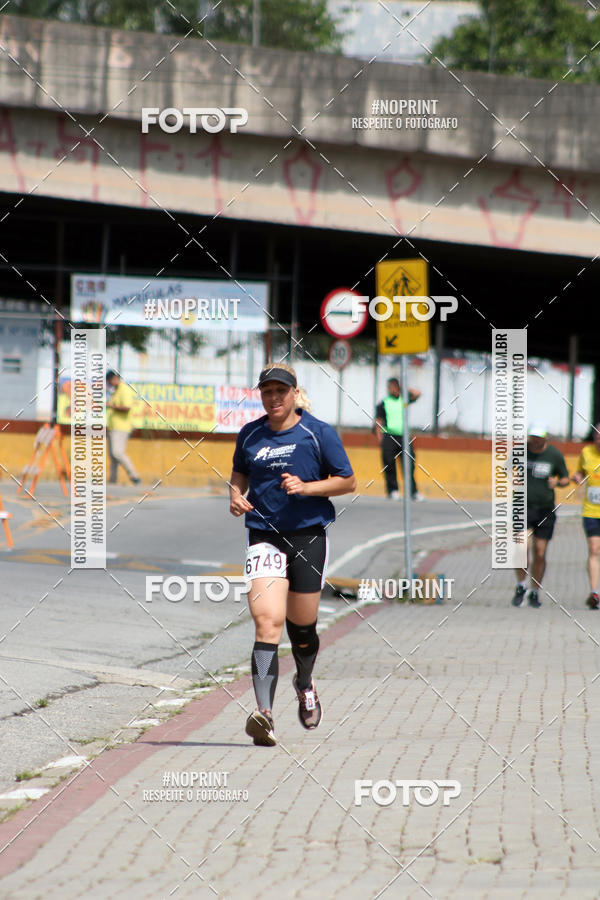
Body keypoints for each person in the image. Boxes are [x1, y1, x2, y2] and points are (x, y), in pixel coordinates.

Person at [229, 363, 356, 746]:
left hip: (307, 535)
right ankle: (264, 713)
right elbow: (239, 475)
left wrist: (307, 487)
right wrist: (234, 495)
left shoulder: (317, 433)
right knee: (267, 623)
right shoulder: (250, 434)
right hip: (263, 536)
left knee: (302, 629)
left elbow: (348, 480)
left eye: (280, 392)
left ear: (293, 393)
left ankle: (304, 682)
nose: (273, 398)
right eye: (266, 392)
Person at [512, 424, 569, 609]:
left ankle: (534, 591)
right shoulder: (520, 451)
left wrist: (558, 482)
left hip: (545, 509)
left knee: (540, 552)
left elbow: (565, 477)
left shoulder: (554, 455)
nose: (534, 440)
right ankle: (521, 586)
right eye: (532, 437)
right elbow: (503, 470)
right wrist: (512, 478)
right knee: (522, 547)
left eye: (538, 437)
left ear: (546, 438)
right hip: (523, 506)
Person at [375, 377, 423, 500]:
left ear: (397, 387)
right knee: (389, 464)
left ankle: (413, 491)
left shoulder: (404, 400)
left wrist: (403, 388)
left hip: (404, 437)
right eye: (389, 387)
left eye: (392, 387)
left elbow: (418, 394)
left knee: (409, 464)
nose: (390, 389)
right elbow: (378, 421)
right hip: (389, 436)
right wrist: (380, 439)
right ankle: (393, 490)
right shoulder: (384, 402)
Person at [571, 424, 600, 609]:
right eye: (598, 438)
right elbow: (580, 471)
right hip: (591, 511)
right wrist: (577, 476)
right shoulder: (586, 452)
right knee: (594, 549)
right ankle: (594, 592)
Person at [106, 370, 141, 485]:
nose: (110, 384)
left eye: (110, 381)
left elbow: (126, 407)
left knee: (117, 453)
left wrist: (111, 405)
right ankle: (113, 479)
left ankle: (134, 475)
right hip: (113, 426)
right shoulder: (116, 391)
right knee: (112, 455)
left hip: (121, 427)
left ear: (115, 378)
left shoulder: (124, 389)